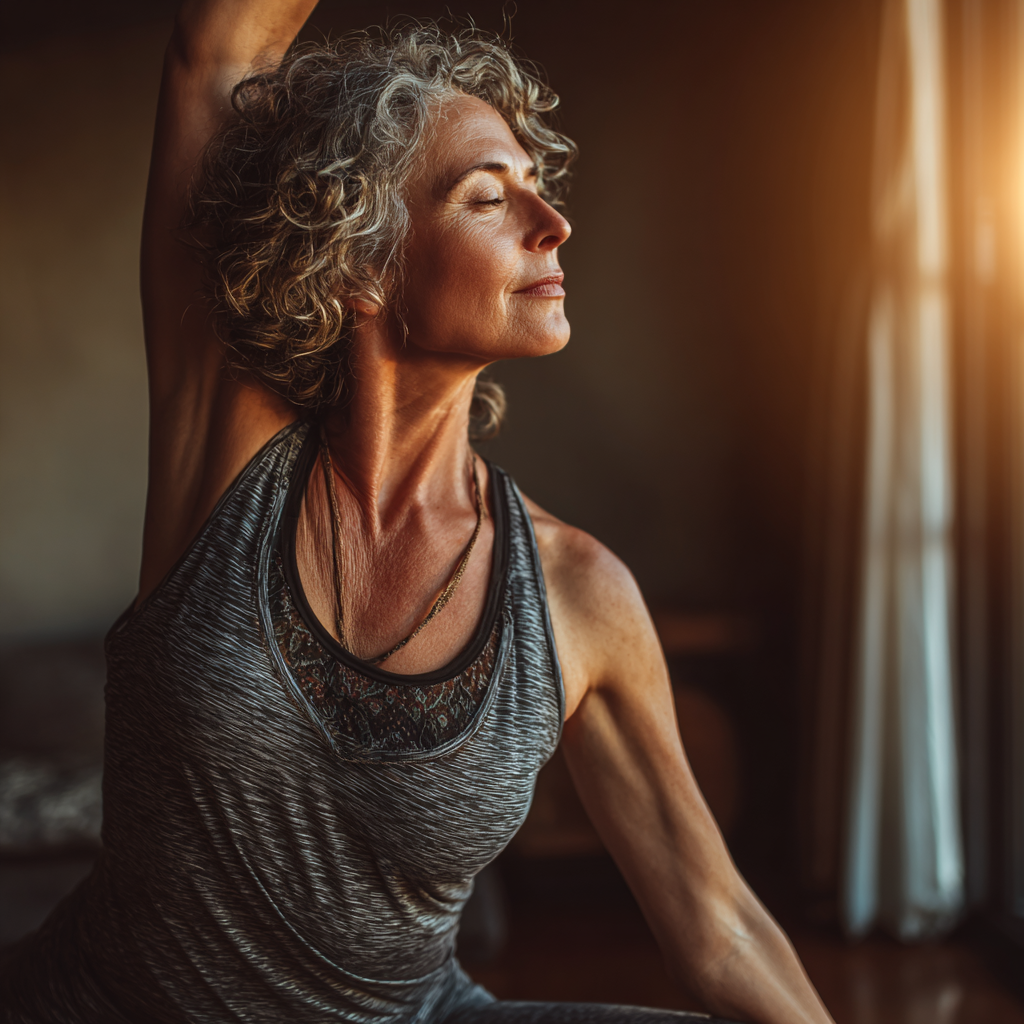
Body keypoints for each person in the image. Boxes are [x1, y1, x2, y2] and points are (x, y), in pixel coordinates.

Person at [0, 3, 835, 1022]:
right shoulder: (224, 445)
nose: (554, 224)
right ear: (358, 258)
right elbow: (220, 49)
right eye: (489, 198)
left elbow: (719, 926)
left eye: (541, 186)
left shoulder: (576, 594)